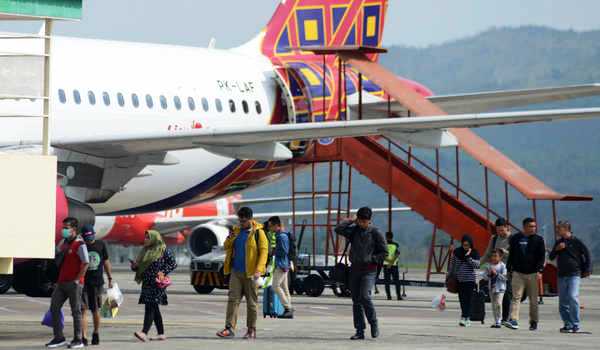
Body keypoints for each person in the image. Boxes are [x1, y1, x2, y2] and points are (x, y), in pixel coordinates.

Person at [335, 207, 387, 340]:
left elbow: (384, 252)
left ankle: (373, 322)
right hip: (355, 269)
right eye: (360, 221)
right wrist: (350, 220)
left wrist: (373, 259)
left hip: (369, 270)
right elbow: (338, 229)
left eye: (365, 221)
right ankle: (359, 330)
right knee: (356, 301)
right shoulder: (353, 231)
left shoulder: (375, 233)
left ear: (369, 221)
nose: (362, 224)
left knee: (365, 296)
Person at [216, 207, 269, 339]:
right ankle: (229, 328)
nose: (241, 223)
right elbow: (226, 246)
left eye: (244, 221)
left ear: (250, 219)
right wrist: (232, 236)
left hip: (251, 274)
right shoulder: (236, 231)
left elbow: (264, 252)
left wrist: (259, 270)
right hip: (236, 272)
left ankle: (251, 329)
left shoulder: (259, 233)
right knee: (233, 300)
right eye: (240, 220)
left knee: (252, 303)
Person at [46, 217, 89, 349]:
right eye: (63, 227)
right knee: (54, 308)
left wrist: (77, 280)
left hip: (74, 284)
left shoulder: (80, 244)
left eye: (66, 228)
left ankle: (78, 339)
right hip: (61, 282)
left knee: (76, 311)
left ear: (74, 229)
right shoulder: (63, 242)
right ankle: (59, 338)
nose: (63, 230)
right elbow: (56, 254)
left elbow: (86, 263)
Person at [132, 230, 177, 342]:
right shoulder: (145, 250)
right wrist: (135, 266)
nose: (145, 239)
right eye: (145, 237)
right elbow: (140, 267)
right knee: (154, 308)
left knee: (150, 307)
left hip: (157, 283)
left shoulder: (163, 249)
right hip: (147, 282)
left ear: (154, 238)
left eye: (148, 237)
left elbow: (173, 263)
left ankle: (144, 332)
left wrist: (163, 271)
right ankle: (161, 333)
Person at [549, 220, 592, 333]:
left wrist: (587, 269)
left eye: (559, 228)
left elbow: (587, 254)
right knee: (563, 301)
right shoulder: (558, 242)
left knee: (573, 297)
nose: (557, 230)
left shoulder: (576, 241)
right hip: (561, 275)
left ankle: (575, 324)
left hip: (574, 274)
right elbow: (551, 256)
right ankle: (567, 324)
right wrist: (557, 249)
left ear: (566, 229)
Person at [506, 217, 546, 331]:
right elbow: (511, 255)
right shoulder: (515, 238)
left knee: (533, 300)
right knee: (516, 297)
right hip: (518, 273)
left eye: (534, 226)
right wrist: (509, 269)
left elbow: (542, 257)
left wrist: (540, 270)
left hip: (533, 273)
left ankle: (534, 321)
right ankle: (513, 320)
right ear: (524, 227)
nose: (533, 228)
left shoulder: (539, 239)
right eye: (530, 226)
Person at [80, 224, 113, 346]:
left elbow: (106, 261)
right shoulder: (81, 246)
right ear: (83, 237)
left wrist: (110, 278)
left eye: (90, 236)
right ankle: (83, 336)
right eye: (86, 236)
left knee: (95, 310)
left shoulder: (101, 244)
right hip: (83, 283)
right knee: (83, 310)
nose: (88, 238)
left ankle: (96, 332)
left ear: (94, 234)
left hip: (97, 283)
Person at [481, 218, 512, 323]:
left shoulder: (513, 239)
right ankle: (498, 319)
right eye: (498, 230)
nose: (500, 233)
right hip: (494, 271)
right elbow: (487, 254)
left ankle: (505, 318)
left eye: (502, 230)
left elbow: (517, 255)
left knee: (507, 294)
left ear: (507, 228)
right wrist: (478, 264)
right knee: (496, 295)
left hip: (508, 271)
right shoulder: (494, 238)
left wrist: (505, 252)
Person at [449, 234, 480, 327]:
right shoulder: (457, 252)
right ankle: (464, 317)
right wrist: (449, 275)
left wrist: (468, 258)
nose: (465, 247)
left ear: (471, 244)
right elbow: (452, 265)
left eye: (467, 245)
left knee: (469, 300)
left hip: (470, 280)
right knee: (462, 300)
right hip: (460, 280)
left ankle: (467, 318)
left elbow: (477, 265)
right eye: (464, 245)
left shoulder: (474, 252)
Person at [268, 216, 294, 319]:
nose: (269, 228)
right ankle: (288, 309)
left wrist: (273, 251)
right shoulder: (281, 235)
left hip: (281, 264)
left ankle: (288, 308)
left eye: (271, 226)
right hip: (284, 263)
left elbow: (284, 251)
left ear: (276, 226)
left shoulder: (281, 236)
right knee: (284, 287)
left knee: (275, 286)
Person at [482, 249, 507, 328]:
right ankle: (496, 321)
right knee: (493, 305)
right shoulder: (488, 266)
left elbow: (505, 278)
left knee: (499, 304)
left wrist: (497, 274)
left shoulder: (503, 266)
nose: (494, 258)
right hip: (492, 288)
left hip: (500, 288)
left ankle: (499, 320)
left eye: (496, 256)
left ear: (500, 257)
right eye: (492, 256)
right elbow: (485, 277)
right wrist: (489, 274)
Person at [383, 232, 402, 301]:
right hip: (394, 265)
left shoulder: (383, 245)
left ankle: (389, 296)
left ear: (386, 237)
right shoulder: (396, 245)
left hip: (386, 265)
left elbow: (383, 255)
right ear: (392, 237)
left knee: (387, 282)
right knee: (397, 281)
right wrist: (391, 262)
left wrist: (388, 262)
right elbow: (397, 254)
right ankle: (399, 296)